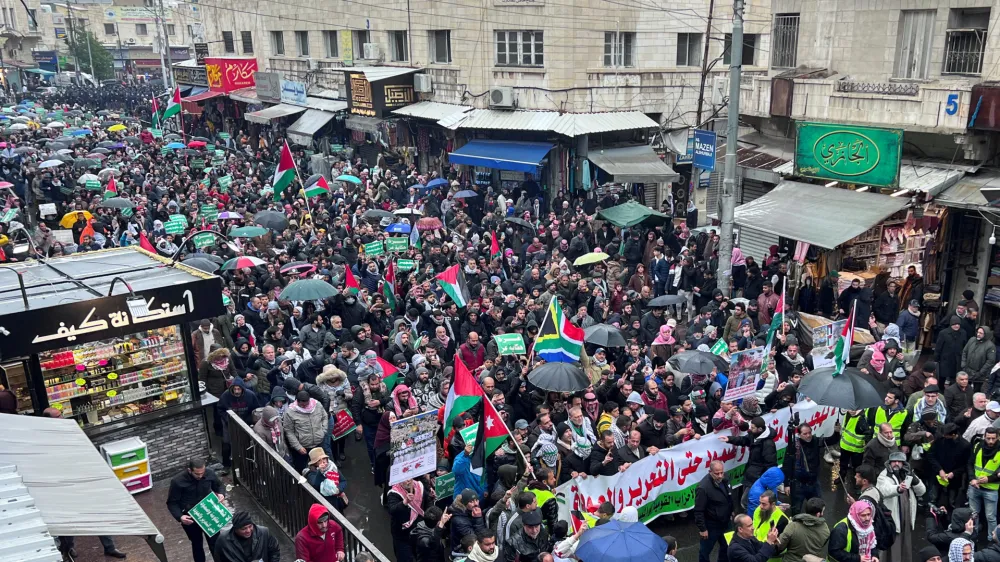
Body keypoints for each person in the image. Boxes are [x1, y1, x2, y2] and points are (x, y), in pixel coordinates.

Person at [166, 459, 226, 562]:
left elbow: (219, 485)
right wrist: (180, 517)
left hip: (208, 513)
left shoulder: (209, 473)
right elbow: (172, 502)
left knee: (215, 542)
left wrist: (221, 494)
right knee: (197, 544)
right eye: (197, 474)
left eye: (202, 473)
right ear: (190, 470)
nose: (200, 476)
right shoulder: (177, 481)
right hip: (190, 517)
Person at [876, 451, 926, 562]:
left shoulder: (907, 474)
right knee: (892, 548)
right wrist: (898, 488)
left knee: (905, 546)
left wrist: (914, 479)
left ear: (903, 463)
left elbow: (922, 491)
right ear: (890, 462)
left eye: (899, 461)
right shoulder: (884, 475)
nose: (896, 464)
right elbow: (884, 490)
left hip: (907, 516)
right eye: (894, 461)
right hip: (892, 518)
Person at [695, 460, 734, 562]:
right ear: (710, 472)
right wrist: (703, 529)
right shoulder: (703, 488)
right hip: (711, 525)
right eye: (717, 473)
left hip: (726, 522)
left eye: (722, 472)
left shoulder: (725, 478)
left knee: (727, 547)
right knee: (705, 552)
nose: (720, 476)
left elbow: (729, 496)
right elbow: (699, 510)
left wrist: (732, 511)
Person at [775, 497, 830, 562]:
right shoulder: (825, 529)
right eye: (822, 511)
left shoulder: (793, 526)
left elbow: (780, 546)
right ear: (818, 514)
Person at [968, 427, 1000, 539]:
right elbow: (970, 464)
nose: (990, 441)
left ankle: (992, 540)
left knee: (991, 517)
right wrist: (972, 479)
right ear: (984, 437)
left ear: (998, 438)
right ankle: (973, 537)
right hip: (975, 486)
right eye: (988, 438)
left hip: (991, 489)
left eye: (993, 439)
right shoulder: (978, 446)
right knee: (973, 515)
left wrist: (989, 479)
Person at [212, 511, 281, 562]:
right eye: (243, 529)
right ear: (235, 529)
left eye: (250, 526)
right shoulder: (223, 540)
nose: (248, 530)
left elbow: (274, 552)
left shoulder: (264, 532)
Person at [386, 478, 426, 562]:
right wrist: (404, 502)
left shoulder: (419, 486)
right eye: (405, 479)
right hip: (402, 534)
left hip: (417, 531)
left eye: (410, 478)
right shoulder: (394, 493)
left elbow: (426, 503)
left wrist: (432, 496)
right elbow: (392, 510)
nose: (408, 480)